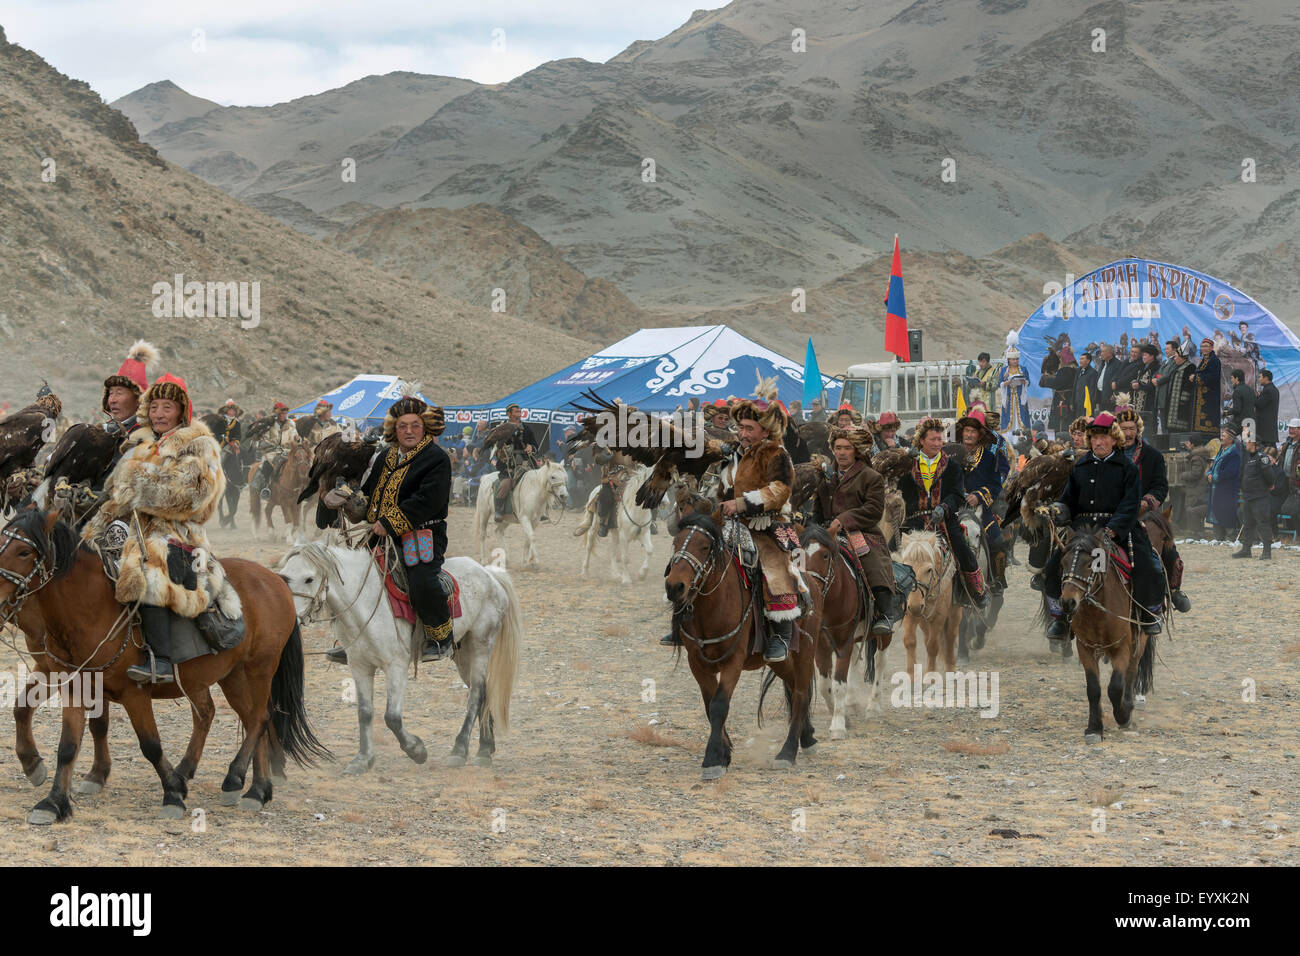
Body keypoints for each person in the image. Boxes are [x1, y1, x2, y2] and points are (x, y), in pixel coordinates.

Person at [83, 373, 240, 684]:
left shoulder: (199, 446)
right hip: (138, 529)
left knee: (146, 567)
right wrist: (95, 524)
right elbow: (119, 496)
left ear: (181, 411)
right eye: (154, 406)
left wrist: (138, 482)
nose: (158, 414)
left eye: (166, 407)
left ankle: (162, 660)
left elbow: (189, 497)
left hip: (180, 533)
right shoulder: (143, 446)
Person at [319, 394, 453, 664]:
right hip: (378, 537)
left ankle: (440, 636)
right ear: (395, 429)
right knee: (354, 578)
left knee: (421, 581)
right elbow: (369, 495)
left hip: (421, 536)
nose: (409, 431)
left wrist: (389, 522)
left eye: (415, 425)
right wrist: (350, 502)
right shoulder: (385, 458)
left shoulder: (436, 458)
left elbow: (428, 501)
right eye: (403, 426)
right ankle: (354, 638)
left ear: (424, 427)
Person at [1042, 412, 1165, 640]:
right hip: (1082, 530)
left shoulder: (1126, 468)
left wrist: (1113, 530)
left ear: (1114, 440)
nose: (1099, 442)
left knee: (1148, 564)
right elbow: (1069, 498)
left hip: (1117, 529)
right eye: (1095, 437)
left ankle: (1149, 614)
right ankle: (1059, 618)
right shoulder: (1081, 466)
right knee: (1051, 567)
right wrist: (1059, 508)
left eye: (1104, 437)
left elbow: (1130, 505)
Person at [702, 400, 807, 662]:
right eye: (741, 427)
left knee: (773, 567)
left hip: (767, 524)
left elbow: (780, 491)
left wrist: (741, 504)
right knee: (695, 553)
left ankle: (782, 634)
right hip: (732, 524)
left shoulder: (776, 454)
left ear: (765, 431)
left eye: (750, 428)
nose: (743, 433)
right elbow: (723, 488)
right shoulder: (735, 453)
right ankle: (688, 620)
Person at [897, 417, 990, 609]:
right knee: (892, 552)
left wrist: (944, 507)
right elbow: (901, 494)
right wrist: (916, 507)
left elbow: (956, 494)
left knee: (963, 550)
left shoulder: (952, 466)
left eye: (940, 440)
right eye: (932, 439)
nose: (937, 444)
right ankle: (892, 597)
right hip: (914, 523)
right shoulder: (907, 466)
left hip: (945, 521)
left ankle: (975, 591)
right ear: (921, 440)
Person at [815, 426, 896, 635]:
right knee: (801, 558)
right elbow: (817, 509)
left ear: (856, 451)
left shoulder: (871, 477)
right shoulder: (825, 477)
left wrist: (843, 520)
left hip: (860, 531)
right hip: (827, 531)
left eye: (847, 448)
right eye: (838, 447)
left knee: (871, 559)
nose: (841, 452)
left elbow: (873, 510)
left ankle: (885, 612)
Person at [1115, 407, 1191, 612]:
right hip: (1115, 513)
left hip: (1145, 513)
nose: (1128, 433)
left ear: (1138, 430)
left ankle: (1173, 590)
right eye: (1123, 429)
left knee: (1165, 547)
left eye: (1131, 428)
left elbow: (1161, 486)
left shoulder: (1153, 456)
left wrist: (1146, 503)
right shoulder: (1112, 455)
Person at [956, 406, 1008, 590]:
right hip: (953, 508)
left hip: (980, 510)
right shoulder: (951, 453)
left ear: (980, 435)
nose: (969, 434)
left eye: (973, 431)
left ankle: (997, 581)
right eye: (967, 430)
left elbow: (995, 485)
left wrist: (978, 496)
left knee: (998, 542)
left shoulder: (989, 456)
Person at [1234, 437, 1280, 560]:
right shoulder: (1248, 457)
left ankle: (1267, 551)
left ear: (1254, 444)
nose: (1246, 444)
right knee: (1248, 523)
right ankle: (1246, 549)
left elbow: (1270, 475)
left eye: (1248, 442)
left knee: (1263, 523)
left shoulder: (1262, 457)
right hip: (1248, 496)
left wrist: (1269, 485)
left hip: (1260, 496)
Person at [250, 401, 299, 500]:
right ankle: (266, 488)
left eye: (285, 413)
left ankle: (302, 487)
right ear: (277, 414)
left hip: (288, 451)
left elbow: (294, 438)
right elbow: (264, 439)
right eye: (282, 414)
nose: (284, 416)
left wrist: (297, 439)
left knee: (302, 463)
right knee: (268, 465)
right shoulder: (269, 425)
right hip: (272, 452)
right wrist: (274, 446)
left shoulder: (291, 424)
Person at [493, 403, 534, 520]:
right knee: (506, 483)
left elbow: (535, 444)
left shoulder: (527, 429)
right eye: (516, 412)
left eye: (520, 412)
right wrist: (503, 451)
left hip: (526, 463)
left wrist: (530, 446)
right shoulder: (501, 428)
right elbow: (496, 448)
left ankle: (541, 510)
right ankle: (499, 509)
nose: (519, 414)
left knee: (540, 479)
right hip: (507, 465)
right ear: (509, 414)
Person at [1206, 424, 1242, 540]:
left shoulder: (1234, 454)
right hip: (1216, 489)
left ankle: (1230, 536)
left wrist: (1215, 477)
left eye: (1224, 435)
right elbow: (1214, 465)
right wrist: (1209, 473)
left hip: (1227, 490)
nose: (1221, 437)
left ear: (1230, 439)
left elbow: (1230, 472)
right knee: (1216, 511)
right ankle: (1218, 537)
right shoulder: (1221, 450)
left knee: (1225, 512)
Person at [1189, 338, 1222, 437]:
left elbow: (1214, 376)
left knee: (1208, 421)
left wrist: (1196, 378)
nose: (1204, 348)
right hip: (1201, 397)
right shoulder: (1204, 360)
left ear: (1212, 348)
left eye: (1206, 346)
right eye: (1202, 346)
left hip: (1209, 397)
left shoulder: (1214, 360)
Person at [1130, 343, 1160, 436]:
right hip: (1138, 403)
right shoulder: (1142, 367)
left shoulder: (1157, 368)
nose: (1143, 357)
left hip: (1150, 402)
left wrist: (1139, 386)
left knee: (1148, 428)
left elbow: (1154, 385)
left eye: (1145, 355)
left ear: (1152, 356)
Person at [998, 347, 1030, 434]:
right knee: (1008, 417)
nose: (1015, 361)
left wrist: (1024, 381)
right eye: (1013, 359)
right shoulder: (1004, 370)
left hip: (1020, 398)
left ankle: (1021, 437)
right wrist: (1006, 383)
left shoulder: (1023, 369)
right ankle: (1009, 438)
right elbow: (999, 383)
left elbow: (1028, 382)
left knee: (1021, 416)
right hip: (1009, 398)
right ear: (1008, 359)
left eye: (1017, 359)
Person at [1256, 370, 1280, 447]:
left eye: (1260, 377)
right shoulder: (1274, 389)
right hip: (1269, 432)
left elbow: (1259, 404)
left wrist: (1252, 397)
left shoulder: (1268, 390)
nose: (1258, 379)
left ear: (1266, 378)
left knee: (1267, 455)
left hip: (1265, 432)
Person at [1073, 350, 1099, 420]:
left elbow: (1093, 390)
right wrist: (1072, 402)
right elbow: (1074, 387)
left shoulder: (1093, 373)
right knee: (1078, 423)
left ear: (1088, 361)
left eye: (1082, 359)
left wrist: (1091, 404)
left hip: (1087, 404)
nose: (1080, 361)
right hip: (1077, 403)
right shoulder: (1078, 371)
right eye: (1080, 359)